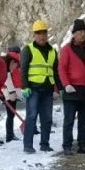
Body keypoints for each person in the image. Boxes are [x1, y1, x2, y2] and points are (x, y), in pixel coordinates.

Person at [57, 18, 85, 155]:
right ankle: (67, 146)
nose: (83, 34)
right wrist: (66, 84)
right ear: (74, 34)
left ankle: (83, 145)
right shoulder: (66, 50)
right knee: (69, 119)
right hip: (72, 89)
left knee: (83, 120)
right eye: (80, 32)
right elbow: (62, 68)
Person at [20, 19, 59, 154]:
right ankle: (28, 145)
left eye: (44, 33)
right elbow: (23, 69)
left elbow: (55, 71)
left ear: (47, 34)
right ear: (34, 35)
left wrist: (60, 88)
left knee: (47, 118)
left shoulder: (53, 51)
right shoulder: (28, 49)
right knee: (31, 117)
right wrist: (25, 86)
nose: (42, 35)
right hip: (33, 89)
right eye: (38, 33)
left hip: (47, 90)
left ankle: (45, 144)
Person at [1, 46, 23, 142]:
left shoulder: (12, 60)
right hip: (10, 91)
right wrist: (12, 91)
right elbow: (8, 77)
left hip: (10, 90)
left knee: (11, 114)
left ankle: (10, 135)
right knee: (11, 114)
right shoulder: (12, 60)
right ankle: (9, 136)